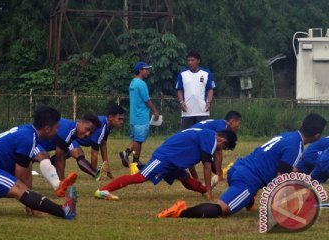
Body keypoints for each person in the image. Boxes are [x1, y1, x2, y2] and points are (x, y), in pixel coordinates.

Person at [157, 113, 326, 219]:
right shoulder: (295, 146)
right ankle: (181, 212)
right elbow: (281, 180)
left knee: (261, 184)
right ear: (317, 135)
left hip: (239, 167)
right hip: (247, 178)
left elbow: (285, 169)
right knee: (221, 210)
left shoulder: (289, 136)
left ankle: (248, 198)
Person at [0, 106, 77, 219]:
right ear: (47, 128)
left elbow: (27, 167)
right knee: (18, 188)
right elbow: (21, 177)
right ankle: (64, 211)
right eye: (56, 128)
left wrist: (31, 200)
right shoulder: (28, 138)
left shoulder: (28, 132)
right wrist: (32, 203)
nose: (57, 131)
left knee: (21, 188)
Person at [94, 129, 237, 200]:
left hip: (174, 160)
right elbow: (207, 166)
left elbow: (190, 155)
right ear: (222, 142)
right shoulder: (210, 139)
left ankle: (204, 190)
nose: (221, 151)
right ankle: (103, 190)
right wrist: (211, 193)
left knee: (186, 179)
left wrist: (204, 186)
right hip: (165, 157)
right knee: (140, 178)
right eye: (224, 148)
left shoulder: (207, 134)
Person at [39, 113, 101, 189]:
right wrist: (63, 185)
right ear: (80, 122)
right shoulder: (68, 130)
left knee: (67, 153)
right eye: (87, 129)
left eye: (91, 133)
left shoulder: (73, 131)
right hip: (31, 143)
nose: (88, 134)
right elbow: (60, 159)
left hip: (35, 145)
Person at [119, 61, 160, 168]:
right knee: (139, 140)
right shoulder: (141, 84)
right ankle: (136, 161)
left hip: (133, 117)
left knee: (135, 139)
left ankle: (126, 153)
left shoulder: (133, 82)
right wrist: (155, 111)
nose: (148, 71)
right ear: (140, 70)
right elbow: (147, 100)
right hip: (141, 116)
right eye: (146, 69)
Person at [72, 105, 125, 179]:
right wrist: (95, 173)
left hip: (75, 140)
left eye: (122, 119)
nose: (121, 122)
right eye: (119, 119)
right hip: (71, 138)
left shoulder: (107, 126)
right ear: (110, 117)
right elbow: (94, 153)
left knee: (63, 156)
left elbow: (103, 146)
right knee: (79, 155)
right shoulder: (102, 126)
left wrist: (107, 168)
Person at [188, 110, 242, 180]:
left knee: (194, 156)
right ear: (232, 121)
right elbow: (218, 152)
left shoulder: (219, 123)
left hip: (189, 135)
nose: (239, 127)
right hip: (192, 138)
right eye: (239, 123)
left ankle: (195, 177)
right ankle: (196, 178)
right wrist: (219, 174)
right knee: (208, 157)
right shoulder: (222, 128)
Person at [176, 51, 216, 131]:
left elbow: (210, 89)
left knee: (202, 134)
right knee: (186, 135)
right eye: (188, 60)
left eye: (192, 60)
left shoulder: (206, 73)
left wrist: (209, 102)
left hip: (202, 111)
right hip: (187, 111)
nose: (190, 62)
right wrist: (181, 102)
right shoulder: (183, 73)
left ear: (198, 61)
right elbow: (179, 89)